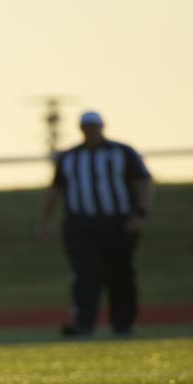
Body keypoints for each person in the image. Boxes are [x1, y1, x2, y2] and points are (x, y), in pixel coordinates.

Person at [35, 110, 154, 337]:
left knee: (121, 274)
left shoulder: (122, 153)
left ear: (102, 126)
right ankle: (83, 324)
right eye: (87, 127)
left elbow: (143, 182)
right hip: (81, 224)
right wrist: (44, 221)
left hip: (117, 222)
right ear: (81, 129)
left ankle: (122, 325)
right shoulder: (69, 157)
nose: (91, 131)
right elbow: (55, 190)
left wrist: (140, 213)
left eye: (94, 126)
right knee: (84, 275)